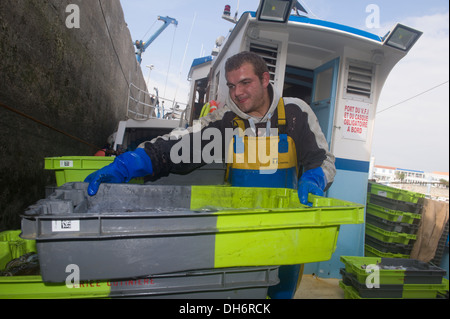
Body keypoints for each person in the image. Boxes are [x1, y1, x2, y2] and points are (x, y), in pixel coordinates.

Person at [85, 51, 336, 298]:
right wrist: (128, 164)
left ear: (264, 79)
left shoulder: (295, 113)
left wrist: (314, 179)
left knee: (281, 292)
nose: (237, 93)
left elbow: (323, 160)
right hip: (238, 231)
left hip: (286, 231)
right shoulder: (226, 121)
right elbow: (178, 147)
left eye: (245, 82)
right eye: (231, 85)